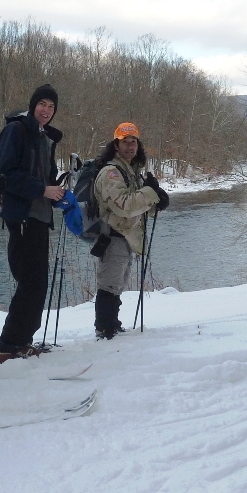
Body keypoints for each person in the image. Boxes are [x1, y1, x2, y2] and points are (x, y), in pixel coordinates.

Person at [0, 84, 65, 364]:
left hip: (40, 217)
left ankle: (21, 342)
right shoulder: (17, 130)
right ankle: (8, 346)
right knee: (30, 283)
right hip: (23, 216)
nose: (46, 110)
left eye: (51, 106)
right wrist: (42, 190)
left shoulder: (45, 137)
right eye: (42, 104)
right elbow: (6, 173)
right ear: (33, 104)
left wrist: (57, 192)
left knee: (37, 283)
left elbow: (46, 177)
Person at [92, 122, 169, 339]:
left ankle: (112, 325)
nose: (130, 146)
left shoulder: (130, 171)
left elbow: (137, 205)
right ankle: (105, 328)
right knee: (109, 283)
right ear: (115, 145)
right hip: (114, 234)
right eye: (125, 142)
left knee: (117, 283)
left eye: (133, 141)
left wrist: (155, 203)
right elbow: (124, 205)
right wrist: (151, 193)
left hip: (126, 235)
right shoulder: (111, 173)